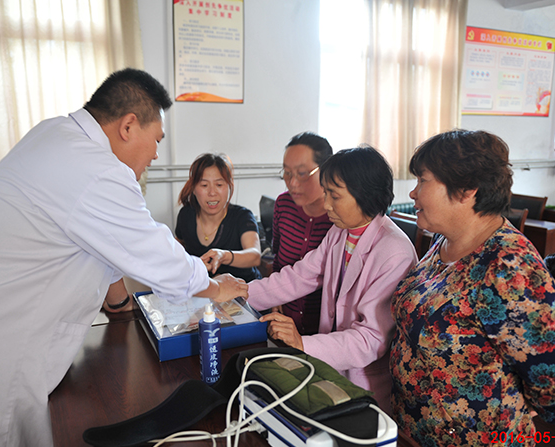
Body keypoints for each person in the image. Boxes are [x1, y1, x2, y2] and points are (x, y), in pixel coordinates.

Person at [0, 69, 247, 447]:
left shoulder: (55, 136)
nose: (157, 154)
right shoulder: (97, 170)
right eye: (157, 139)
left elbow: (99, 241)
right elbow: (159, 256)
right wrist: (217, 288)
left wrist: (119, 302)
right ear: (128, 126)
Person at [390, 130, 555, 447]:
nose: (413, 192)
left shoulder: (511, 268)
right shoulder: (444, 241)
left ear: (467, 190)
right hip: (416, 432)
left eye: (423, 180)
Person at [248, 146, 417, 411]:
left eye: (334, 196)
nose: (326, 204)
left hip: (365, 383)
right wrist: (242, 293)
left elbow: (370, 339)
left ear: (365, 195)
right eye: (325, 192)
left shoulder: (395, 251)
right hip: (332, 370)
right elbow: (301, 276)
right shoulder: (341, 232)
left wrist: (302, 343)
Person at [270, 132, 334, 335]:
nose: (293, 183)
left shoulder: (339, 217)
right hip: (284, 323)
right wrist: (273, 298)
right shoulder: (283, 204)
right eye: (287, 173)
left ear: (326, 171)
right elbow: (277, 258)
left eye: (302, 173)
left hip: (326, 332)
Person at [175, 152, 262, 282]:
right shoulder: (186, 215)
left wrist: (223, 256)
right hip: (204, 290)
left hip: (244, 288)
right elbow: (178, 246)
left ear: (229, 186)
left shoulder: (242, 216)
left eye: (219, 185)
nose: (212, 193)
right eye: (204, 185)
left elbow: (254, 256)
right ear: (193, 188)